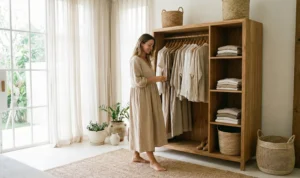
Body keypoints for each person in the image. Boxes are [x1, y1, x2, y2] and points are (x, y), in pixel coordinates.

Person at [129, 33, 168, 171]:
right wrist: (156, 79)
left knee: (142, 123)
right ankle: (152, 161)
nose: (150, 48)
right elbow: (138, 82)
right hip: (141, 95)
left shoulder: (146, 58)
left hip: (149, 93)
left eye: (152, 46)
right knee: (145, 124)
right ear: (141, 44)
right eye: (149, 45)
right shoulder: (135, 60)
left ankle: (136, 155)